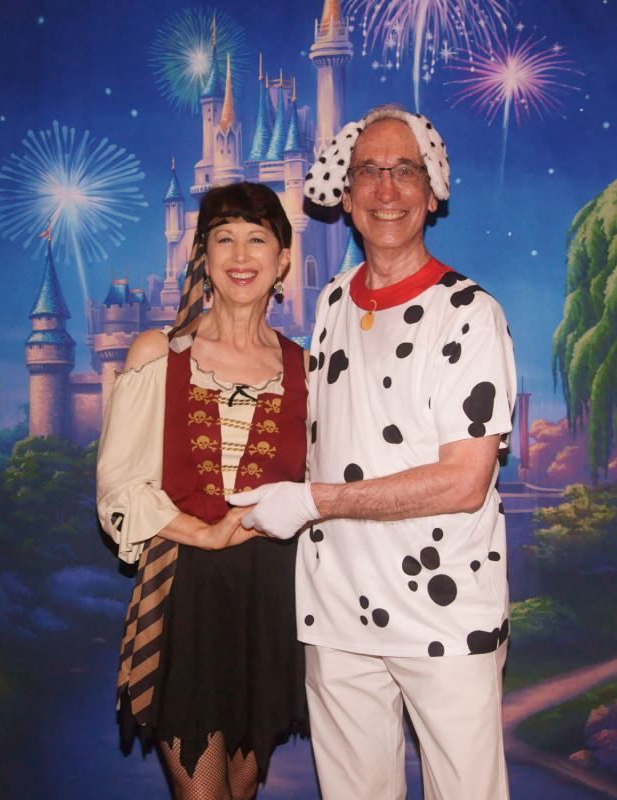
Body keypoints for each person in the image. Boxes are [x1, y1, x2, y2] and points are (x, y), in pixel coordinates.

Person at [230, 105, 517, 800]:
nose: (386, 190)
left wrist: (313, 502)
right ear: (345, 192)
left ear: (432, 190)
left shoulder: (470, 314)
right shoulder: (331, 303)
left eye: (404, 171)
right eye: (369, 172)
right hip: (336, 615)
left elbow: (464, 482)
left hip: (444, 617)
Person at [97, 181, 308, 800]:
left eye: (257, 240)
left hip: (272, 599)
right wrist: (206, 533)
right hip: (182, 592)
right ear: (203, 257)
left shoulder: (308, 369)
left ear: (283, 260)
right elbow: (119, 485)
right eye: (224, 239)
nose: (241, 256)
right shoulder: (159, 352)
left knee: (241, 793)